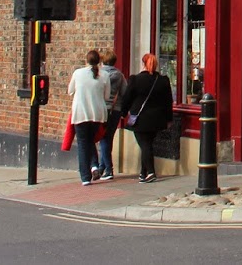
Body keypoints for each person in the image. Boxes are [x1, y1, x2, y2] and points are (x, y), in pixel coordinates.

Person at [118, 52, 174, 183]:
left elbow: (127, 98)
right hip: (157, 119)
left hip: (140, 118)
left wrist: (123, 113)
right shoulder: (162, 80)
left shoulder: (135, 80)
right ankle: (143, 173)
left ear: (143, 64)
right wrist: (169, 119)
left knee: (145, 145)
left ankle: (150, 172)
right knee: (147, 144)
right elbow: (168, 101)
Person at [67, 49, 110, 185]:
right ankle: (94, 166)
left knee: (83, 144)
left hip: (81, 112)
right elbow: (107, 96)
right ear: (99, 61)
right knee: (90, 141)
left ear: (86, 60)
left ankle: (85, 177)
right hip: (98, 113)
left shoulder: (78, 73)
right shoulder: (104, 75)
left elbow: (70, 91)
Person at [96, 49, 126, 180]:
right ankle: (102, 167)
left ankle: (108, 169)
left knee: (103, 138)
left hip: (102, 109)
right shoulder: (119, 75)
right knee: (108, 138)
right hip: (116, 109)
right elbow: (125, 91)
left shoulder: (100, 75)